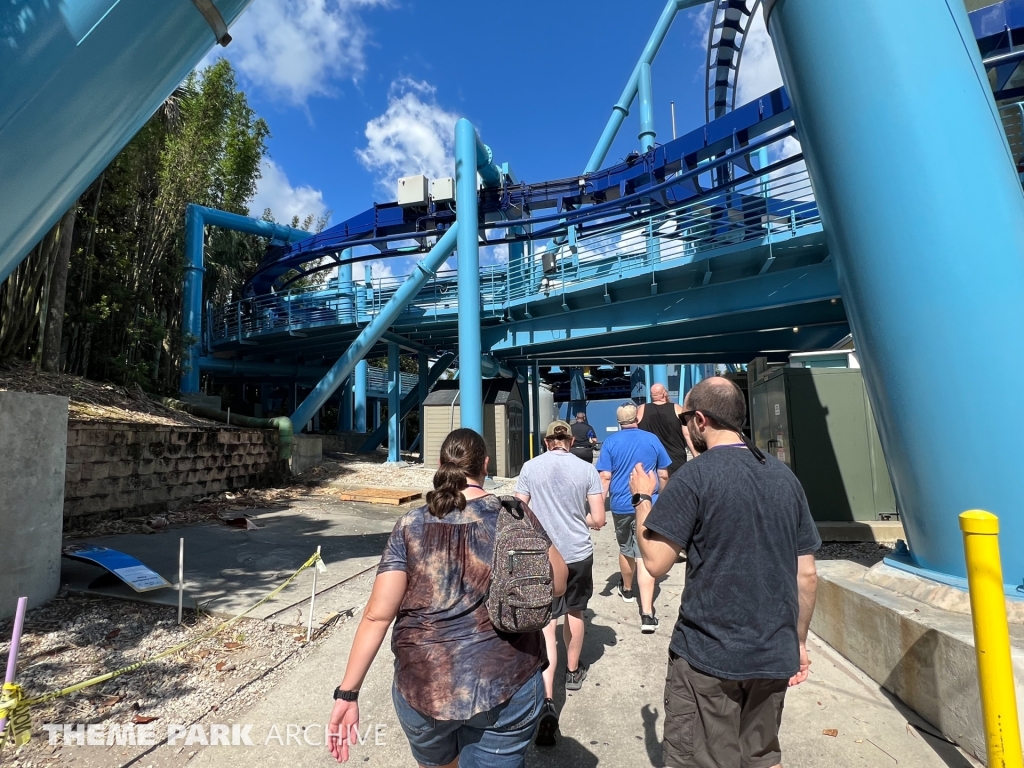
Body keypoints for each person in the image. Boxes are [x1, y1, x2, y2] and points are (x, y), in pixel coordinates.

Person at [327, 428, 569, 767]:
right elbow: (558, 583)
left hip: (425, 685)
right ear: (486, 464)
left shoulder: (411, 524)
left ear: (441, 464)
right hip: (505, 681)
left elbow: (377, 616)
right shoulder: (513, 515)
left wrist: (348, 693)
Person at [628, 377, 820, 768]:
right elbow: (807, 575)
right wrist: (797, 643)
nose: (683, 428)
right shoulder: (786, 478)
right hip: (773, 653)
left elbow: (655, 561)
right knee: (762, 757)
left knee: (703, 758)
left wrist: (642, 497)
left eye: (684, 419)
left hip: (708, 657)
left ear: (700, 420)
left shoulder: (695, 477)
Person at [514, 420, 606, 747]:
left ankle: (547, 701)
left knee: (546, 625)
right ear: (569, 440)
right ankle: (573, 671)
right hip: (578, 553)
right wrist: (576, 517)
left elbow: (518, 510)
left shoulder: (529, 467)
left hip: (543, 554)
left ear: (545, 441)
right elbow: (599, 519)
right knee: (576, 613)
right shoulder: (586, 469)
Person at [595, 402, 670, 633]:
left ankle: (627, 589)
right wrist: (662, 497)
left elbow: (605, 477)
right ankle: (647, 614)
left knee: (627, 548)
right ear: (637, 417)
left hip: (621, 504)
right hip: (648, 502)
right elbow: (664, 473)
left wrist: (599, 506)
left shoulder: (610, 442)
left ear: (619, 421)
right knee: (645, 552)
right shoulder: (652, 439)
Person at [638, 383, 689, 475]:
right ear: (665, 393)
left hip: (651, 462)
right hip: (675, 459)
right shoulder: (677, 409)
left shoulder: (641, 409)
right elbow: (687, 433)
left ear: (651, 395)